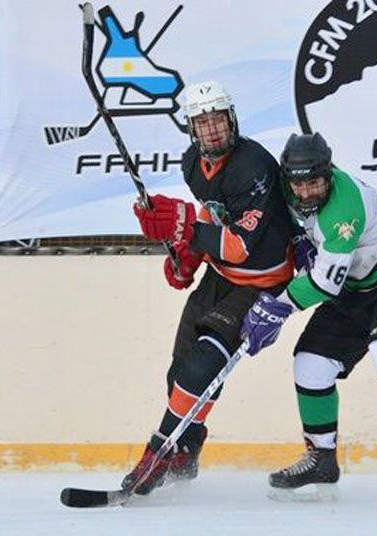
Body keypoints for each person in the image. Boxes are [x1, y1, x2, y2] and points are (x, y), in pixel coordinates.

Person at [241, 132, 377, 503]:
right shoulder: (287, 190)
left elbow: (323, 284)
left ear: (329, 173)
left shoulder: (344, 207)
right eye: (299, 184)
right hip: (356, 288)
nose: (306, 193)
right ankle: (320, 457)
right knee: (310, 364)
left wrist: (276, 307)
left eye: (315, 183)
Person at [126, 80, 294, 495]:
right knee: (180, 370)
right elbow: (213, 216)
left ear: (232, 119)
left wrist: (184, 224)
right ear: (191, 129)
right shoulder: (191, 164)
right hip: (219, 277)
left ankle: (158, 451)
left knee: (204, 362)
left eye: (218, 120)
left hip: (262, 283)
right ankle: (187, 445)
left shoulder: (255, 167)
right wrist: (187, 256)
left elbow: (238, 246)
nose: (212, 130)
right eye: (202, 123)